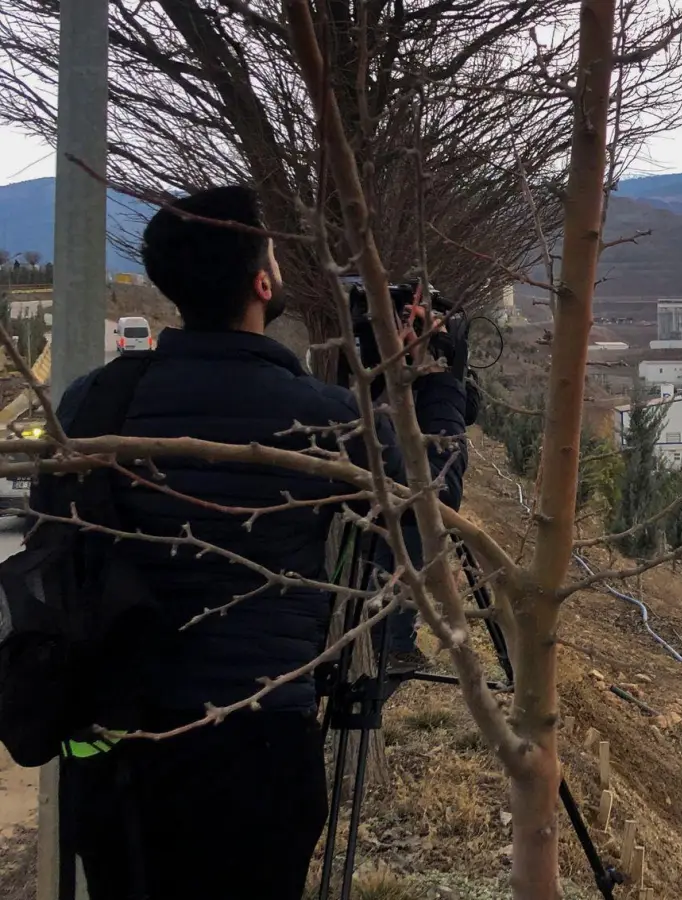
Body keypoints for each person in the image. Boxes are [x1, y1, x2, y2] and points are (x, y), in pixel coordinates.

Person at [54, 185, 468, 900]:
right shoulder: (324, 418)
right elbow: (430, 511)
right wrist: (433, 382)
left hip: (117, 742)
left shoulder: (94, 401)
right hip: (258, 742)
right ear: (261, 282)